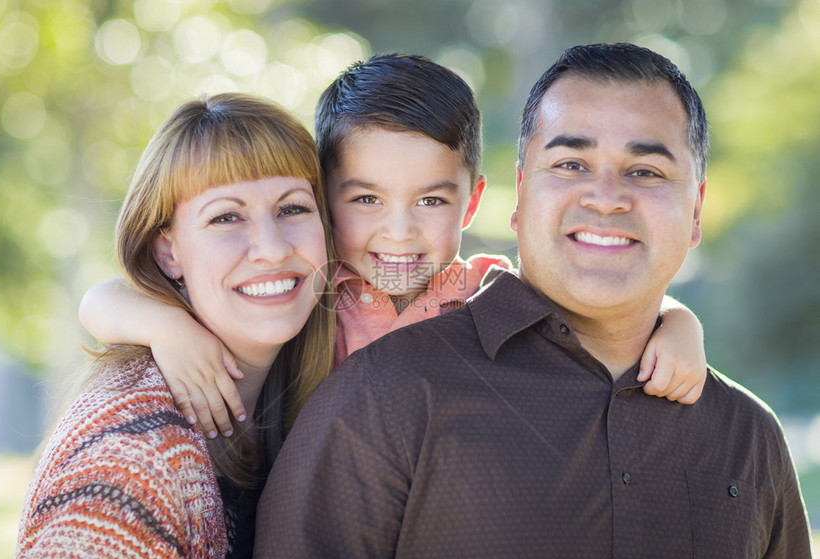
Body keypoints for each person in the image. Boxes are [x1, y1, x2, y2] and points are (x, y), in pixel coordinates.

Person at [252, 43, 814, 559]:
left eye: (645, 171)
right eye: (571, 164)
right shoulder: (373, 387)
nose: (606, 196)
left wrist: (679, 319)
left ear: (695, 210)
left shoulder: (748, 437)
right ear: (520, 197)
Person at [79, 53, 708, 442]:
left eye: (431, 202)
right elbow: (100, 301)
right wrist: (168, 330)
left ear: (471, 199)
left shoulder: (489, 291)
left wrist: (680, 324)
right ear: (324, 199)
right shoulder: (307, 295)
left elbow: (594, 311)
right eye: (366, 200)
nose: (400, 234)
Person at [13, 93, 335, 559]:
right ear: (168, 252)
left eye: (292, 209)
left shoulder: (318, 377)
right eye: (226, 216)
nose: (271, 247)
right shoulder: (129, 462)